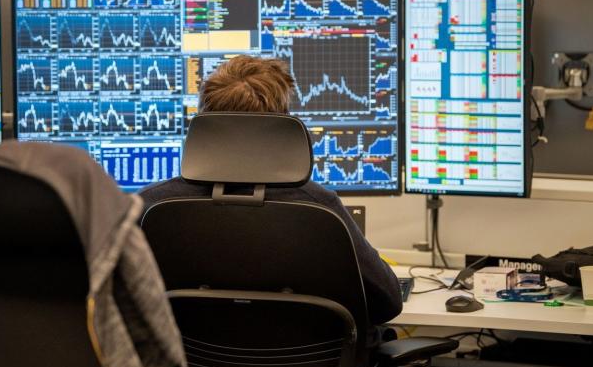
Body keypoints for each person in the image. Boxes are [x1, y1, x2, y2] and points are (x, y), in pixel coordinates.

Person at [138, 55, 403, 326]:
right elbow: (388, 302)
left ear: (204, 120)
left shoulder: (148, 207)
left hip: (186, 366)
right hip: (307, 366)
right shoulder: (319, 207)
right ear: (281, 124)